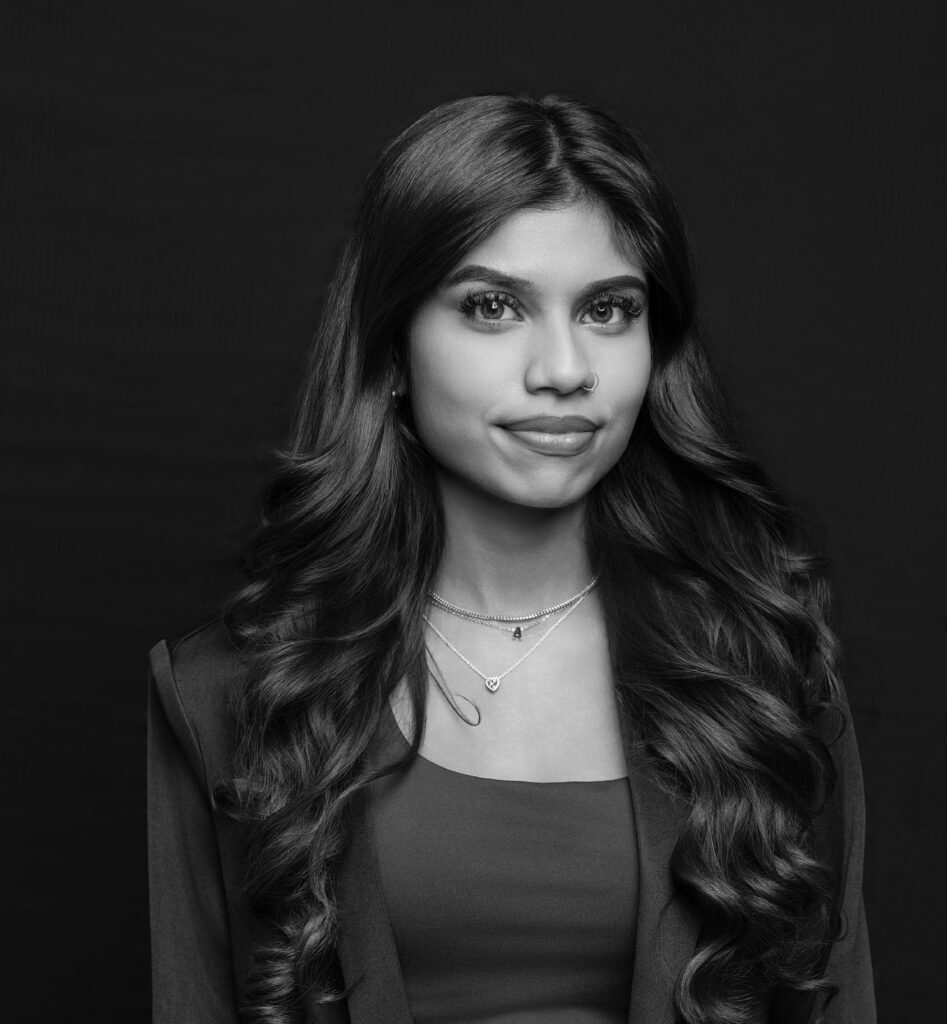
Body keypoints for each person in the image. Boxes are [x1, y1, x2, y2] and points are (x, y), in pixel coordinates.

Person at [147, 92, 875, 1024]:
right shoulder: (231, 692)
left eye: (610, 309)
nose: (565, 367)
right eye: (493, 306)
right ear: (394, 345)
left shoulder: (758, 672)